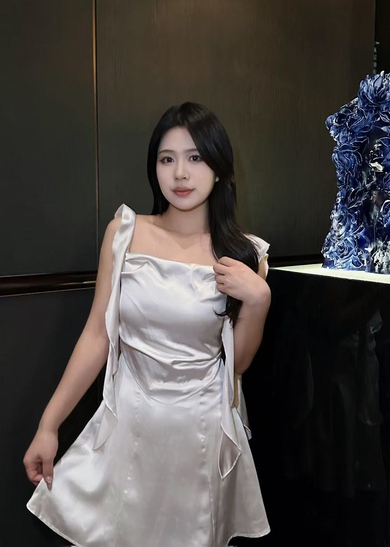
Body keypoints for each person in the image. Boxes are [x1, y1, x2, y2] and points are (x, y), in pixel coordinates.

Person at [23, 101, 272, 547]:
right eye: (167, 159)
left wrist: (259, 299)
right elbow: (97, 335)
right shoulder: (125, 232)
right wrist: (49, 424)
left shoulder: (245, 254)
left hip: (199, 436)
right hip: (129, 427)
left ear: (219, 168)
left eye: (195, 157)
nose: (181, 173)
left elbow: (237, 366)